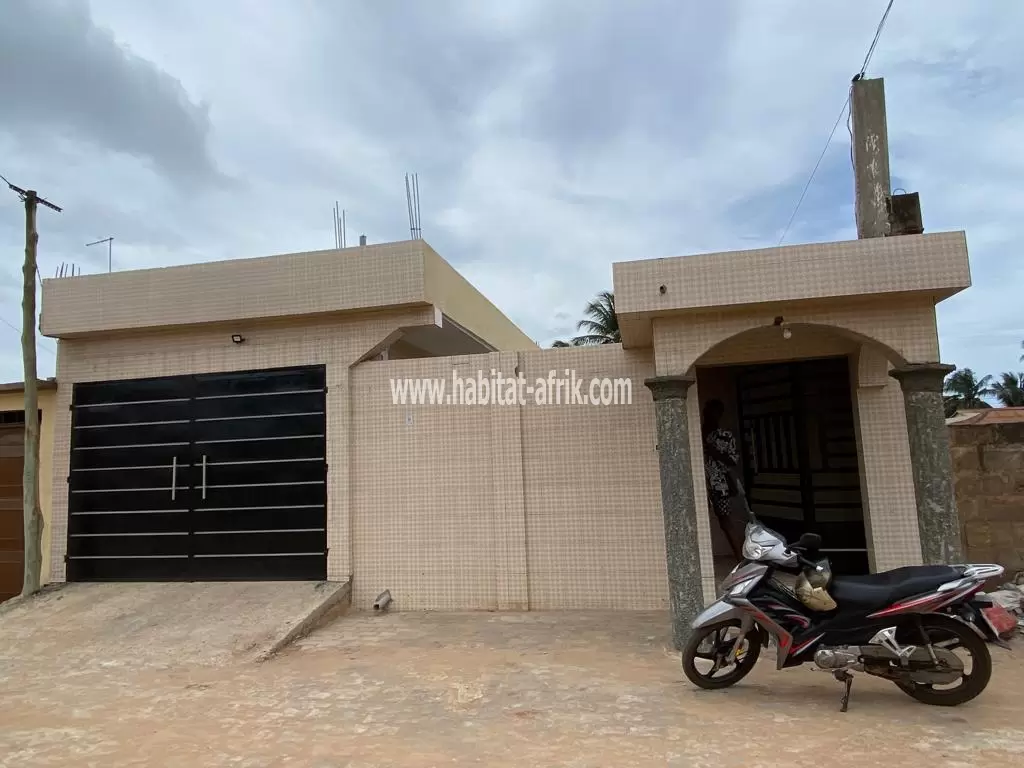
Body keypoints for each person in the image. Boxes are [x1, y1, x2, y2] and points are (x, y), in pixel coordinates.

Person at [701, 398, 745, 560]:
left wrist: (715, 453)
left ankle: (741, 558)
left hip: (719, 484)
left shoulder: (725, 436)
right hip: (699, 482)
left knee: (725, 521)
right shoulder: (695, 432)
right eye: (707, 413)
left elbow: (733, 460)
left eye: (713, 413)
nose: (709, 417)